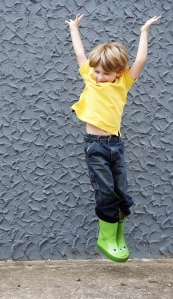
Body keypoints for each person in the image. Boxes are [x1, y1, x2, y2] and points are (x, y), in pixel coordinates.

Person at [65, 14, 161, 262]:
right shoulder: (90, 78)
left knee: (121, 193)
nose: (98, 76)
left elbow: (140, 60)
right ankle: (105, 238)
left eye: (105, 73)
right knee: (105, 192)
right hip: (95, 147)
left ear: (119, 73)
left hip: (115, 145)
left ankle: (119, 236)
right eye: (96, 71)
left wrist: (144, 31)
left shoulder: (123, 82)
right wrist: (74, 28)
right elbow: (80, 54)